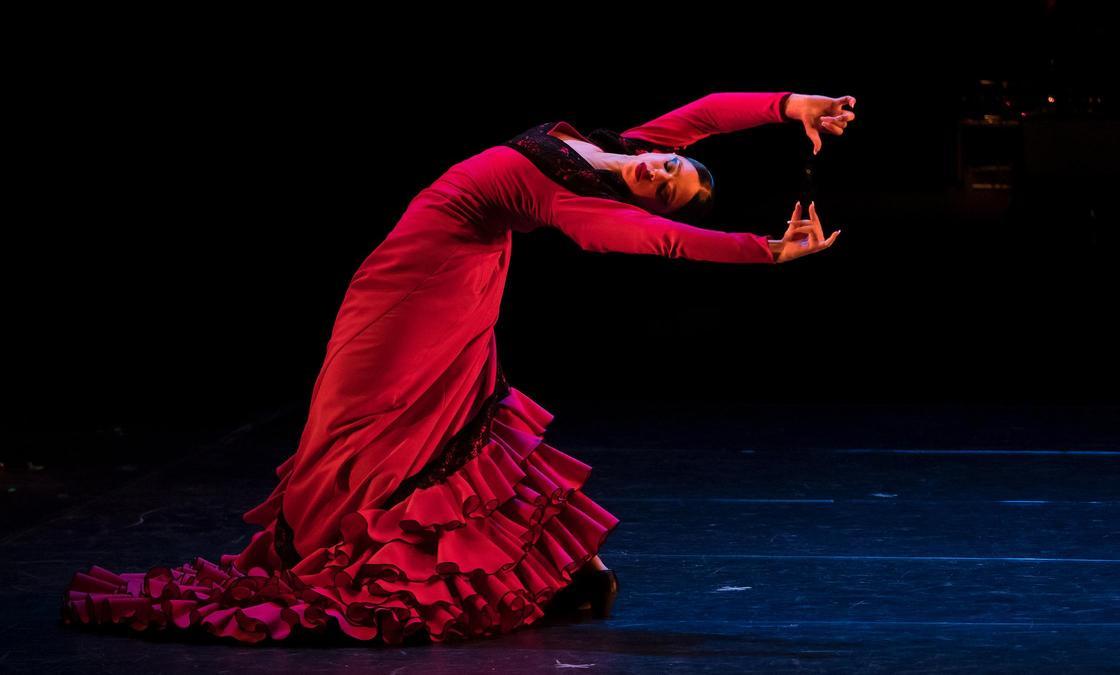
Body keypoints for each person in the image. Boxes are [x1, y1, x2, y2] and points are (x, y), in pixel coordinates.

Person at [61, 89, 857, 646]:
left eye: (668, 190)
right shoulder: (625, 144)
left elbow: (663, 240)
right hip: (427, 266)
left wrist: (767, 251)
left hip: (431, 288)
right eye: (671, 169)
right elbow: (712, 111)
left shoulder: (579, 202)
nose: (661, 176)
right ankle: (564, 571)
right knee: (392, 413)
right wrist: (793, 106)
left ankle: (489, 566)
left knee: (376, 418)